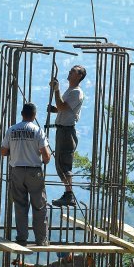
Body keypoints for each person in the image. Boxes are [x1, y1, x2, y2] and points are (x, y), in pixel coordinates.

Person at [0, 102, 52, 246]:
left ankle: (22, 238)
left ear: (22, 114)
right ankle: (41, 240)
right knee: (39, 206)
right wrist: (46, 159)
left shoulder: (12, 130)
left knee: (20, 206)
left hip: (16, 171)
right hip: (34, 172)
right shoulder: (37, 130)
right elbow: (46, 156)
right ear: (34, 116)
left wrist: (15, 151)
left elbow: (3, 151)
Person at [48, 65, 86, 207]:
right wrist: (54, 109)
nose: (69, 73)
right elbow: (61, 108)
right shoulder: (70, 91)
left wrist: (56, 90)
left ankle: (69, 194)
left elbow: (63, 106)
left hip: (66, 131)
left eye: (73, 72)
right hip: (62, 130)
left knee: (64, 163)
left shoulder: (76, 92)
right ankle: (67, 193)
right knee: (60, 163)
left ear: (79, 76)